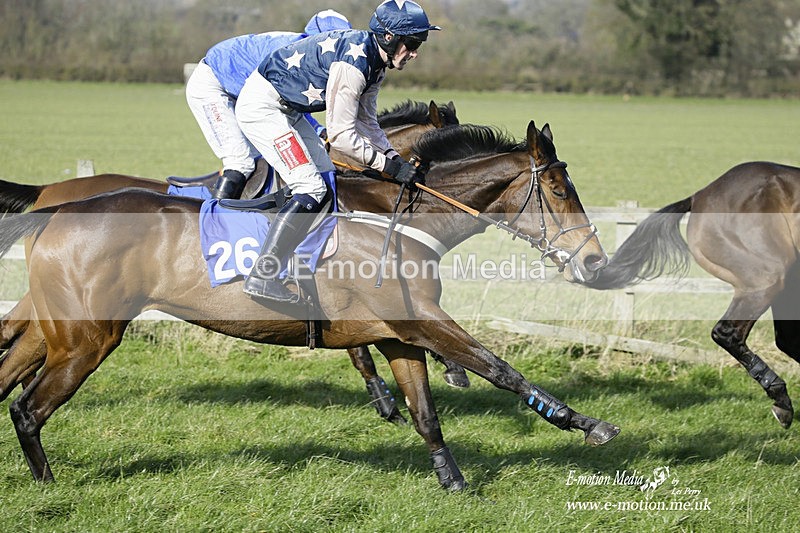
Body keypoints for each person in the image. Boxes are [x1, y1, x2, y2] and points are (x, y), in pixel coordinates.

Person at [234, 0, 440, 303]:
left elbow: (367, 123)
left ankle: (296, 258)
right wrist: (388, 167)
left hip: (287, 109)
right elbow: (342, 137)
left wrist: (394, 157)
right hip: (263, 109)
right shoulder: (354, 66)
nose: (415, 52)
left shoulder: (375, 63)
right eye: (411, 43)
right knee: (310, 187)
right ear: (388, 37)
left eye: (418, 43)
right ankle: (262, 277)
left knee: (326, 177)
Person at [185, 10, 352, 199]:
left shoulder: (304, 51)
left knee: (269, 160)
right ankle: (216, 219)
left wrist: (318, 130)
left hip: (245, 89)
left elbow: (292, 104)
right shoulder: (289, 53)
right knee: (241, 162)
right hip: (213, 84)